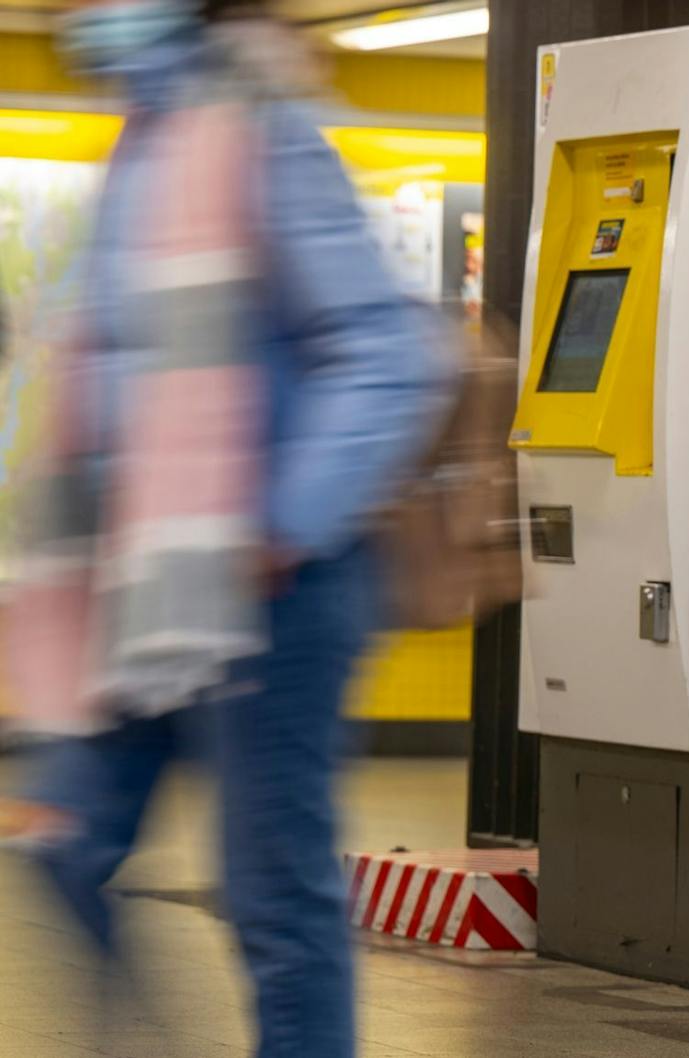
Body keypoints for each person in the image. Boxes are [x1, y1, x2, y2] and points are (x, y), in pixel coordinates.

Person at [10, 2, 451, 1056]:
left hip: (272, 587)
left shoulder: (263, 135)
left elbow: (388, 353)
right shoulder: (145, 138)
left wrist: (283, 523)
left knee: (270, 892)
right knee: (62, 841)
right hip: (146, 581)